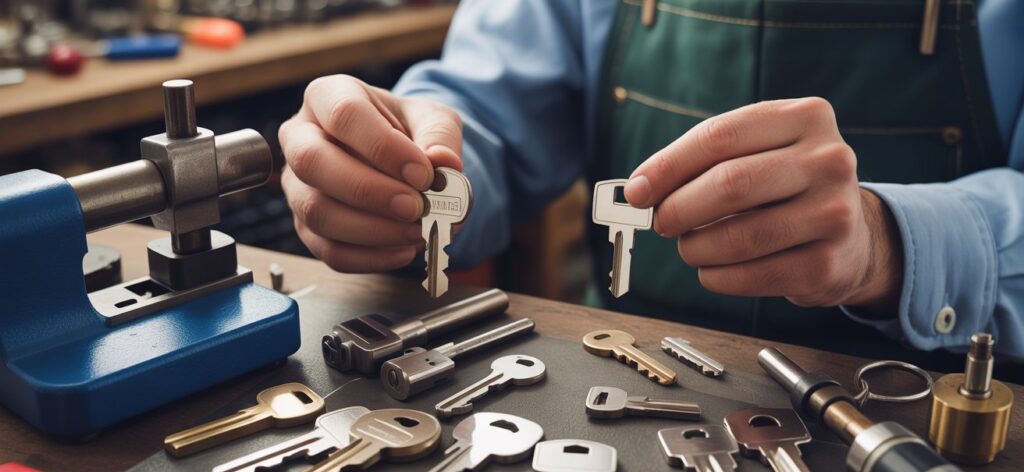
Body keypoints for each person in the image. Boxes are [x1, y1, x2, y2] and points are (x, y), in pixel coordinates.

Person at [278, 0, 1024, 364]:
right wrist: (396, 165)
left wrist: (892, 245)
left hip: (943, 414)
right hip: (635, 381)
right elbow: (488, 118)